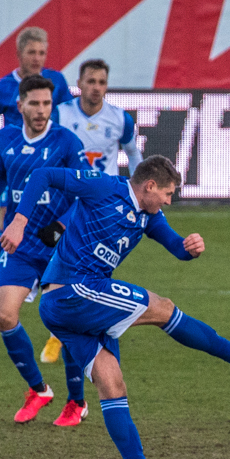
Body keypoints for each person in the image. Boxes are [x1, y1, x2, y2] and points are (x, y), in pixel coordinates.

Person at [2, 155, 230, 459]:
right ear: (150, 186)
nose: (169, 202)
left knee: (112, 383)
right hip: (73, 291)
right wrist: (20, 221)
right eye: (168, 194)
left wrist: (189, 248)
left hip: (63, 309)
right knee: (163, 308)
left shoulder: (149, 216)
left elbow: (175, 246)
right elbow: (44, 174)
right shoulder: (104, 187)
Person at [0, 75, 92, 426]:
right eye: (34, 104)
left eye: (46, 104)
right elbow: (2, 177)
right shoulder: (7, 136)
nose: (41, 111)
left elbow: (86, 191)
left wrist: (62, 225)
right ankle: (38, 389)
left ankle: (76, 402)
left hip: (59, 246)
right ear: (19, 105)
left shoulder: (66, 142)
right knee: (5, 315)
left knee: (64, 322)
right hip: (21, 244)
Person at [0, 26, 73, 317]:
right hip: (17, 170)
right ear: (19, 53)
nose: (37, 58)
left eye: (42, 52)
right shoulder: (1, 89)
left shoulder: (56, 82)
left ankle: (48, 283)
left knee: (53, 222)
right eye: (31, 52)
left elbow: (69, 118)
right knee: (6, 224)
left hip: (50, 162)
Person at [42, 59, 142, 367]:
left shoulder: (120, 119)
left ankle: (68, 329)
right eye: (91, 81)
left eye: (101, 82)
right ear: (80, 83)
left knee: (92, 264)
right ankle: (64, 324)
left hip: (102, 206)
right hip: (66, 200)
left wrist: (139, 194)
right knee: (55, 253)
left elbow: (134, 154)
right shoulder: (61, 113)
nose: (96, 87)